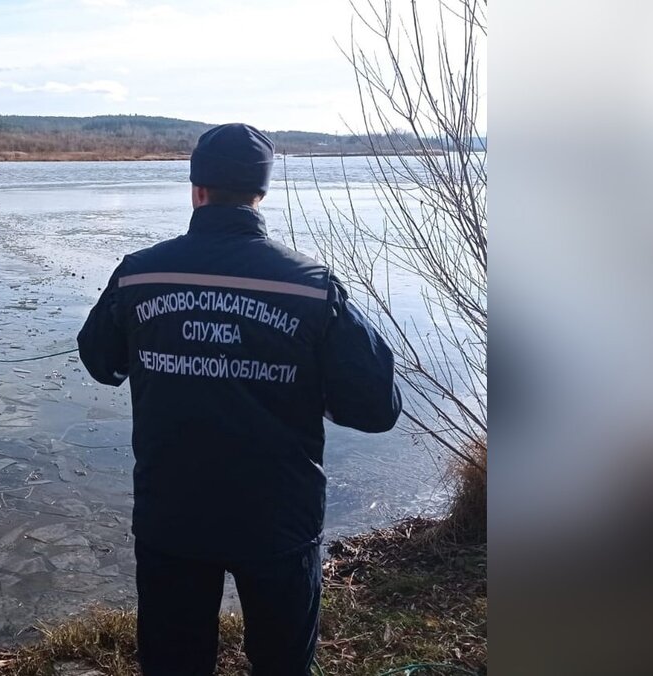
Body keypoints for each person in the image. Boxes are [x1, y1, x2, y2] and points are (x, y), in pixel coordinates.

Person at [77, 123, 402, 676]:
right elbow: (379, 407)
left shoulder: (138, 275)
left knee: (174, 664)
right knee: (282, 665)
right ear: (261, 193)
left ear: (196, 188)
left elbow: (101, 362)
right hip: (278, 519)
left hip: (172, 517)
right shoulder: (310, 285)